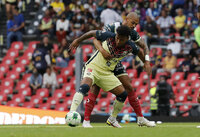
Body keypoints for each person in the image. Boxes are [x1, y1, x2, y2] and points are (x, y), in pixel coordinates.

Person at [71, 12, 155, 128]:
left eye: (136, 24)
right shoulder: (112, 28)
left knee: (128, 87)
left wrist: (147, 62)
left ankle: (138, 118)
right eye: (133, 23)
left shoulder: (132, 35)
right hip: (103, 57)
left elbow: (143, 47)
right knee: (94, 88)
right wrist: (102, 50)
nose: (134, 26)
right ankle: (85, 120)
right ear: (127, 19)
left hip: (115, 61)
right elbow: (96, 38)